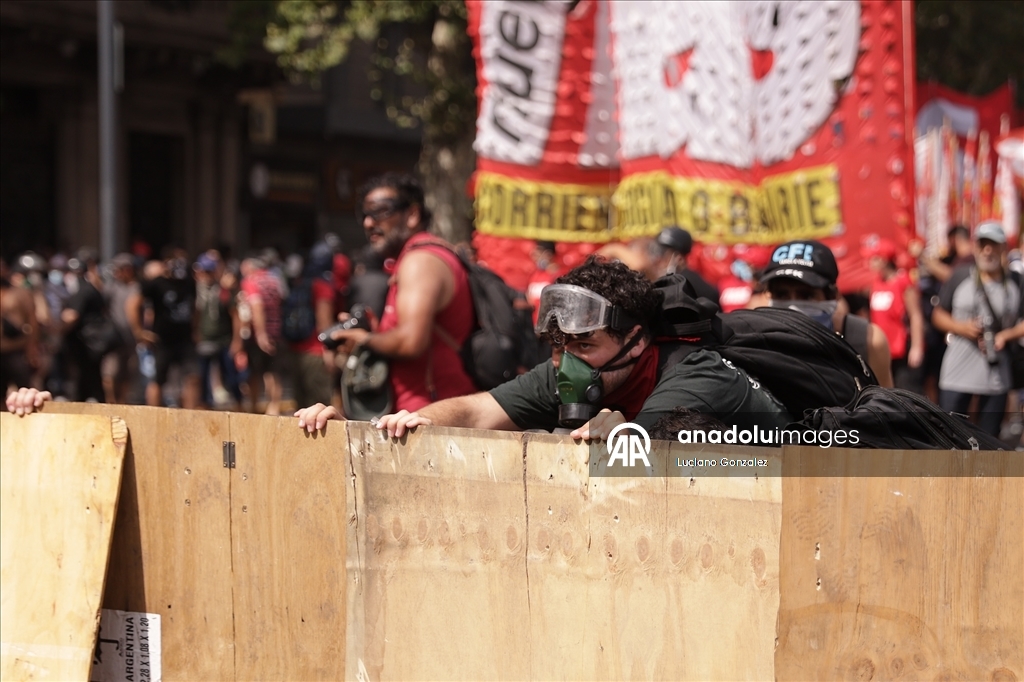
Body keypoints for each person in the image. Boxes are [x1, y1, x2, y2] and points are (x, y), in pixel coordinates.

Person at [297, 257, 792, 439]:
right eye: (556, 345)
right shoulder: (570, 369)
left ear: (637, 342)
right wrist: (378, 433)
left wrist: (608, 438)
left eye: (583, 344)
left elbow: (629, 462)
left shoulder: (695, 377)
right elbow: (474, 412)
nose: (564, 361)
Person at [317, 172, 476, 413]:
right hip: (421, 416)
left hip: (430, 418)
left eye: (380, 212)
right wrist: (374, 331)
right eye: (365, 215)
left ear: (412, 215)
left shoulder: (420, 260)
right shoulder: (420, 257)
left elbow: (411, 342)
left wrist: (364, 340)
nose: (369, 223)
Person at [931, 221, 1024, 437]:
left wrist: (1004, 336)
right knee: (950, 436)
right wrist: (961, 327)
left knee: (989, 439)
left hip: (996, 374)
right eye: (983, 245)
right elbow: (938, 315)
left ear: (1003, 248)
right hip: (957, 371)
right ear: (975, 247)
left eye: (993, 245)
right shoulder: (960, 276)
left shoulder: (1016, 282)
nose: (988, 251)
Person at [759, 240, 894, 387]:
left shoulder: (867, 341)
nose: (793, 306)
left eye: (807, 296)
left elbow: (885, 406)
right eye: (782, 295)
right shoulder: (756, 342)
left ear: (833, 295)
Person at [131, 249, 200, 409]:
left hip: (185, 339)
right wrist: (139, 331)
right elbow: (133, 304)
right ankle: (154, 416)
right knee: (158, 380)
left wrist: (196, 330)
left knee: (193, 377)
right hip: (162, 339)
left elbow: (195, 308)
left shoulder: (189, 283)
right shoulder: (157, 283)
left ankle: (191, 416)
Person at [863, 238, 925, 393]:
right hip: (884, 350)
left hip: (902, 349)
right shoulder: (876, 283)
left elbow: (916, 315)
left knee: (907, 391)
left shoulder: (903, 281)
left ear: (884, 260)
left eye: (874, 258)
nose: (871, 262)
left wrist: (917, 347)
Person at [238, 253, 284, 415]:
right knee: (272, 371)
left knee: (255, 372)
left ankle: (254, 407)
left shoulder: (250, 282)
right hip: (276, 330)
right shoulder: (274, 280)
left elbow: (256, 307)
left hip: (258, 334)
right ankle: (274, 406)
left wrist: (261, 334)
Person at [646, 227, 721, 305]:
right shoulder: (677, 282)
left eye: (662, 252)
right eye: (655, 251)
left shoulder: (684, 286)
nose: (657, 259)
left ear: (679, 259)